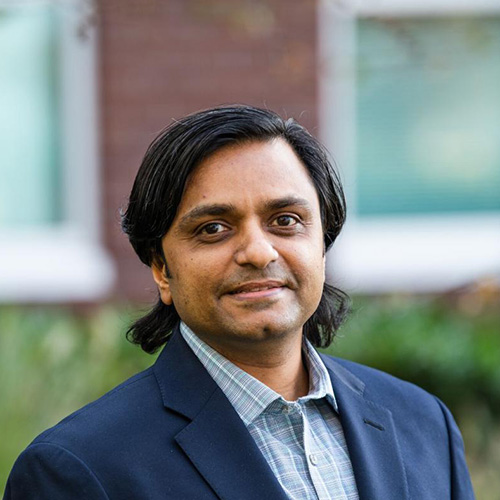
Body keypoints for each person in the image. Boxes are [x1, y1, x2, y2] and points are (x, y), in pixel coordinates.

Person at [5, 105, 474, 499]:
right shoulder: (78, 470)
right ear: (161, 269)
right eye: (213, 228)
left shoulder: (423, 422)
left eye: (285, 220)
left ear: (322, 244)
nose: (258, 251)